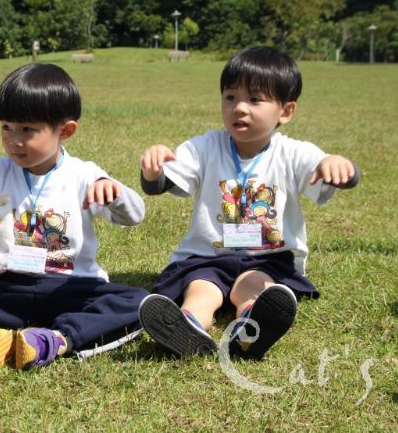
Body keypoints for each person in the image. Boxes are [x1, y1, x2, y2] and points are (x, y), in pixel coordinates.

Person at [0, 63, 149, 372]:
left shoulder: (84, 175)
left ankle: (53, 340)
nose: (14, 140)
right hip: (2, 288)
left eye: (27, 130)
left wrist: (114, 193)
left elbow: (134, 215)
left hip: (68, 288)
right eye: (6, 127)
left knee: (139, 301)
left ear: (65, 131)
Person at [138, 46, 359, 359]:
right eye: (230, 97)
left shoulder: (293, 153)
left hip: (266, 258)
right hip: (208, 256)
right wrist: (154, 170)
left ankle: (251, 327)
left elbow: (324, 166)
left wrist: (336, 165)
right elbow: (162, 182)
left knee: (254, 286)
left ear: (286, 111)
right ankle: (188, 325)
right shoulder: (204, 147)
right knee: (201, 288)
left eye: (255, 99)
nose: (239, 108)